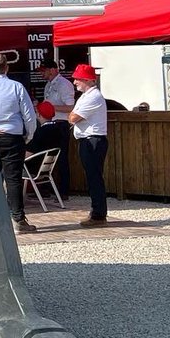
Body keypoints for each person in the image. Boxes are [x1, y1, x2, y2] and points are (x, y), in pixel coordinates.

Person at [0, 53, 38, 233]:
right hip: (11, 136)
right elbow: (29, 116)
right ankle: (18, 219)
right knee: (13, 180)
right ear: (7, 68)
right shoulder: (16, 87)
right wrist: (28, 135)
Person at [68, 63, 108, 227]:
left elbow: (72, 118)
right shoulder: (87, 96)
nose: (75, 82)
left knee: (94, 178)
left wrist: (73, 115)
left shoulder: (93, 97)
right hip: (88, 139)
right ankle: (97, 212)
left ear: (87, 80)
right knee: (92, 177)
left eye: (78, 79)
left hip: (93, 140)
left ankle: (98, 214)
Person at [40, 59, 74, 199]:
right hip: (49, 123)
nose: (42, 73)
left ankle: (64, 190)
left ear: (53, 70)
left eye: (44, 70)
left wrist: (51, 108)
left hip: (60, 124)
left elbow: (71, 107)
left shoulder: (64, 85)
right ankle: (46, 188)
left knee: (61, 158)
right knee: (46, 156)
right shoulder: (48, 85)